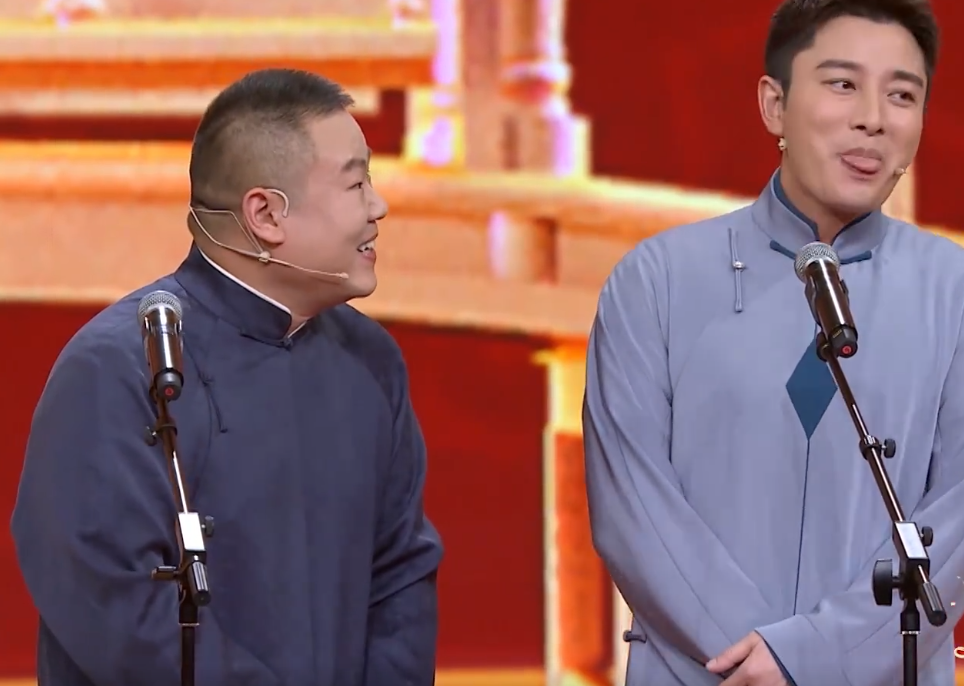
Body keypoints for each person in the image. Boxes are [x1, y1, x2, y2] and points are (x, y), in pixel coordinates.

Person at [11, 68, 444, 686]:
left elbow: (401, 573)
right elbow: (116, 608)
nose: (379, 208)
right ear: (265, 214)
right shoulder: (119, 366)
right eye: (356, 184)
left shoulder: (370, 359)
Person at [583, 1, 963, 684]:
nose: (873, 118)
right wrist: (763, 659)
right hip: (702, 671)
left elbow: (958, 516)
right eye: (843, 84)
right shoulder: (657, 279)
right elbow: (633, 509)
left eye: (902, 95)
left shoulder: (953, 289)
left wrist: (818, 654)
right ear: (774, 105)